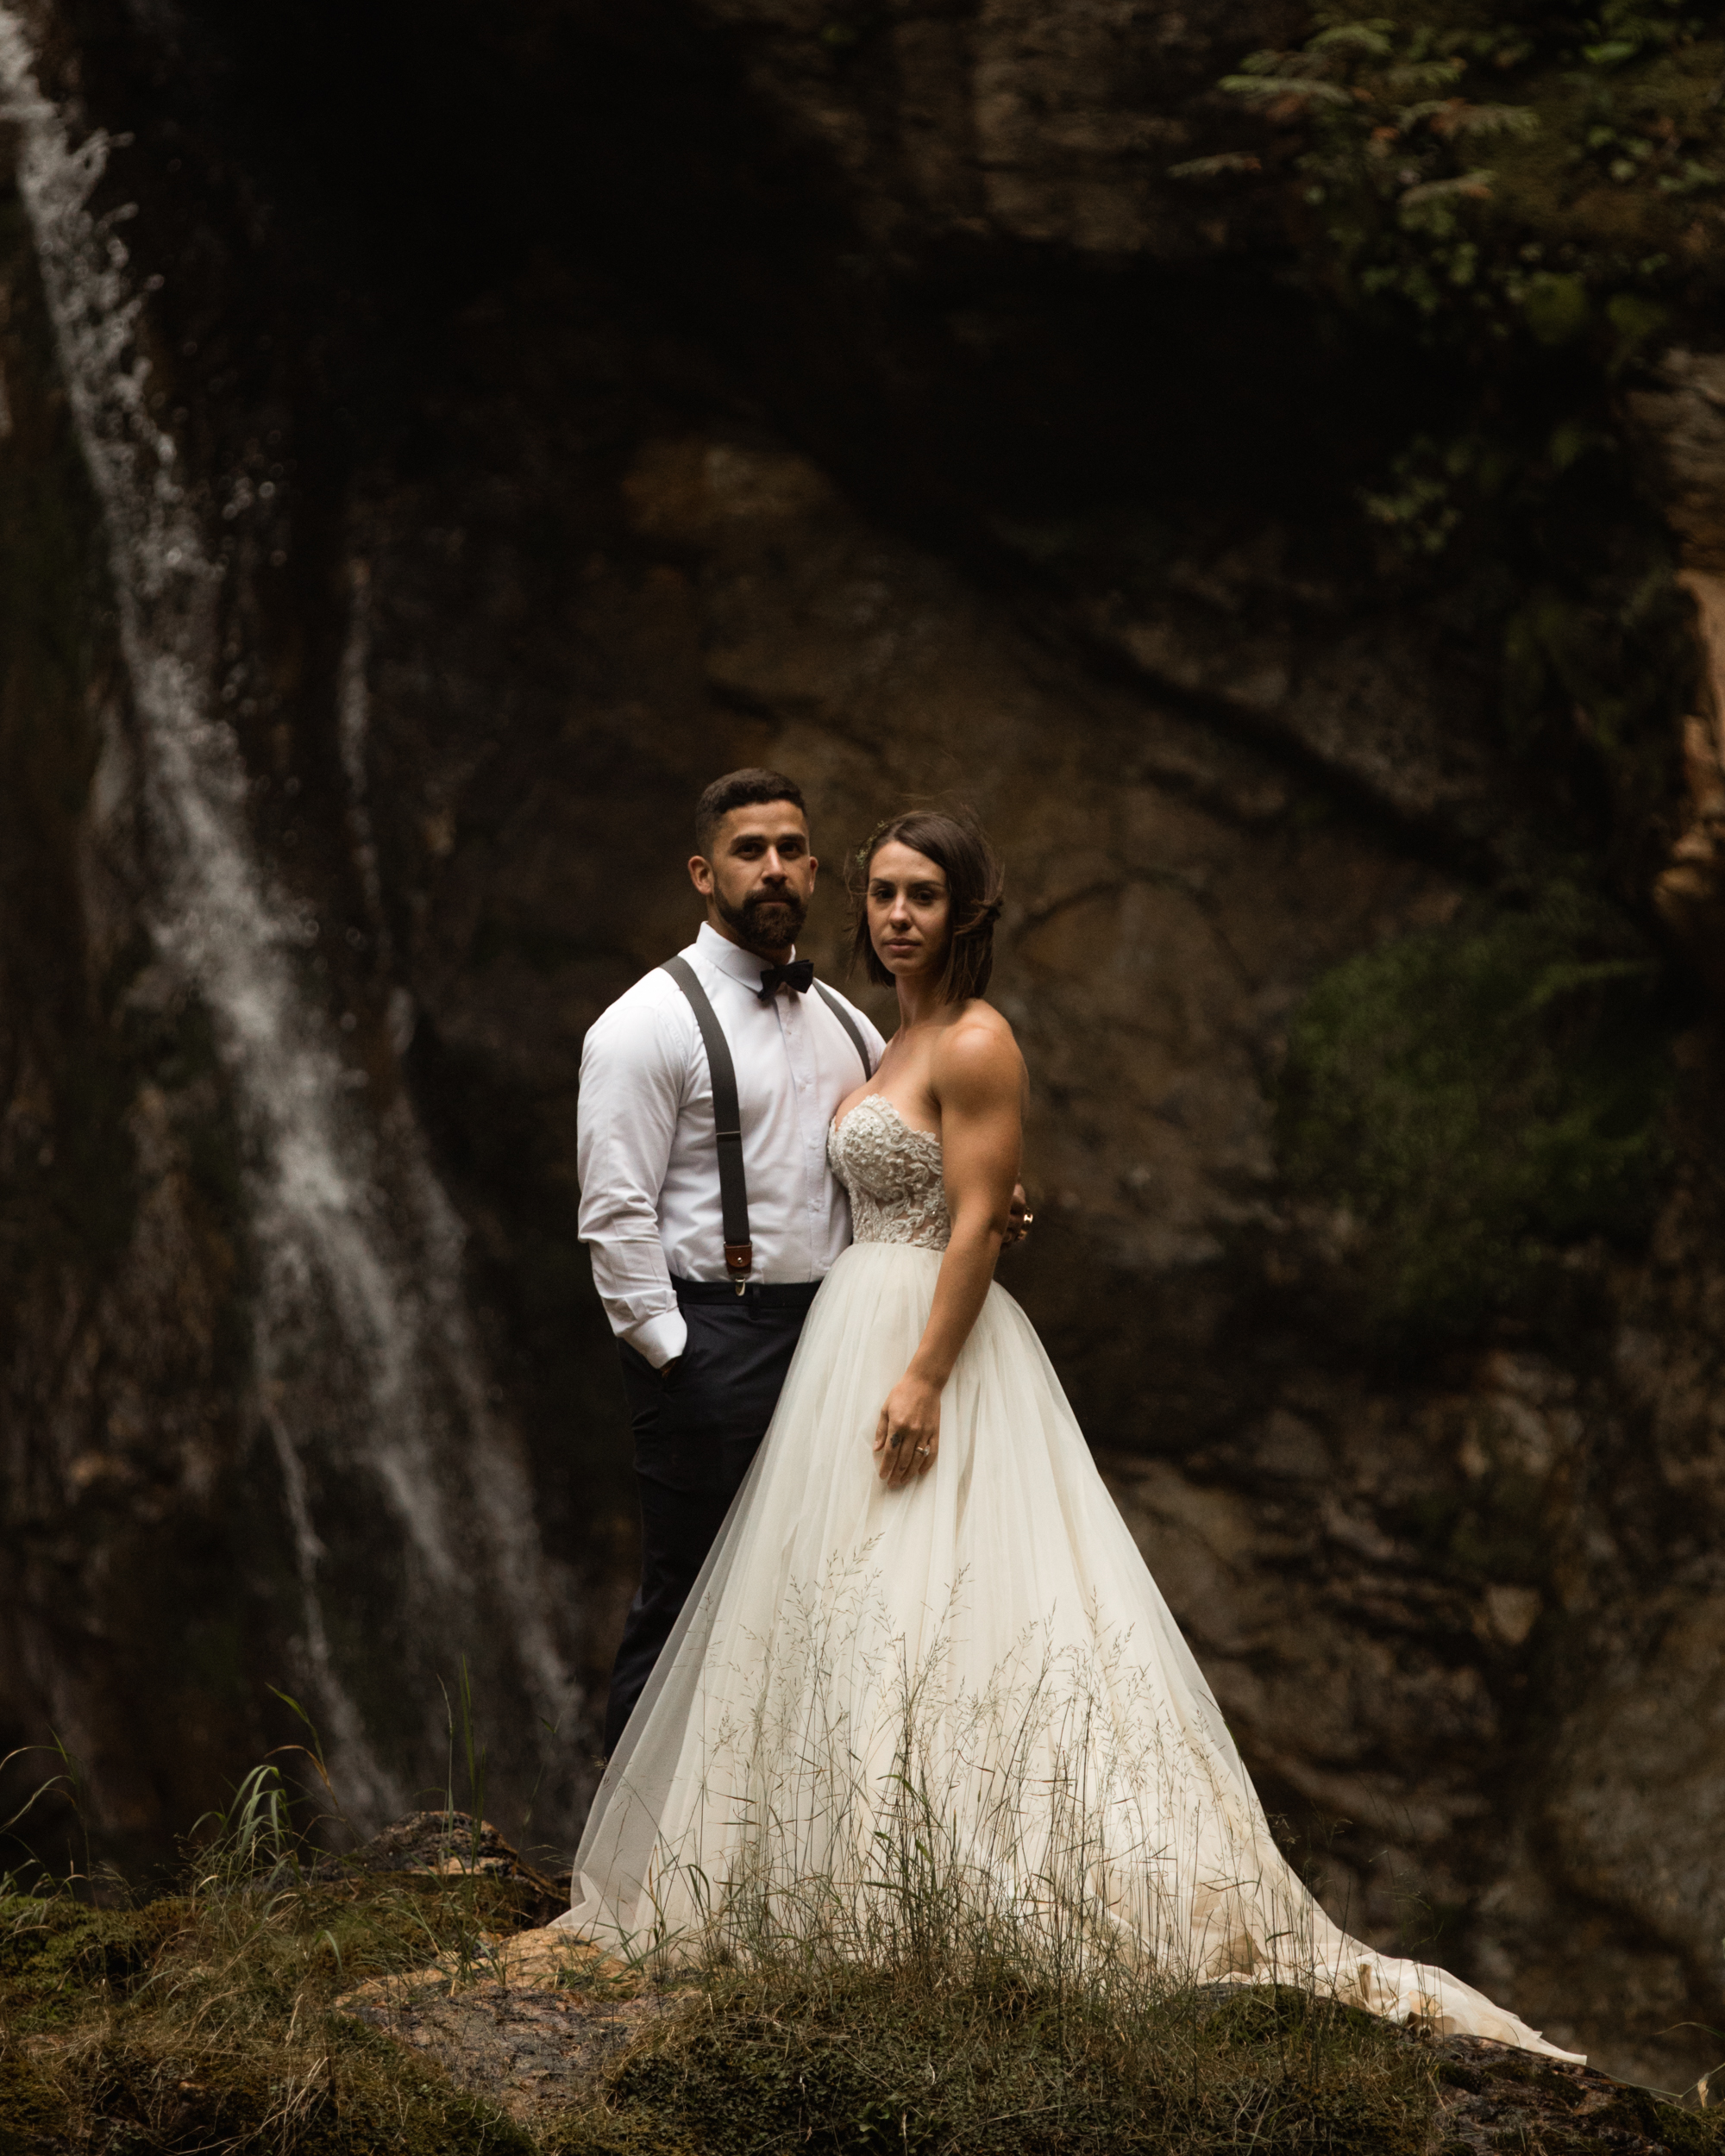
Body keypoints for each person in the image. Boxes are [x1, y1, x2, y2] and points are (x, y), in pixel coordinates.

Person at [561, 805, 1580, 2062]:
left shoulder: (977, 1037)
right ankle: (822, 1878)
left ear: (966, 911)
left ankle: (953, 1890)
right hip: (841, 1335)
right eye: (880, 892)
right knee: (844, 1610)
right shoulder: (878, 1039)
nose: (894, 914)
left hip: (919, 1348)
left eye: (921, 895)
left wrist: (928, 1372)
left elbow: (980, 1220)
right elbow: (929, 1179)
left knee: (960, 1605)